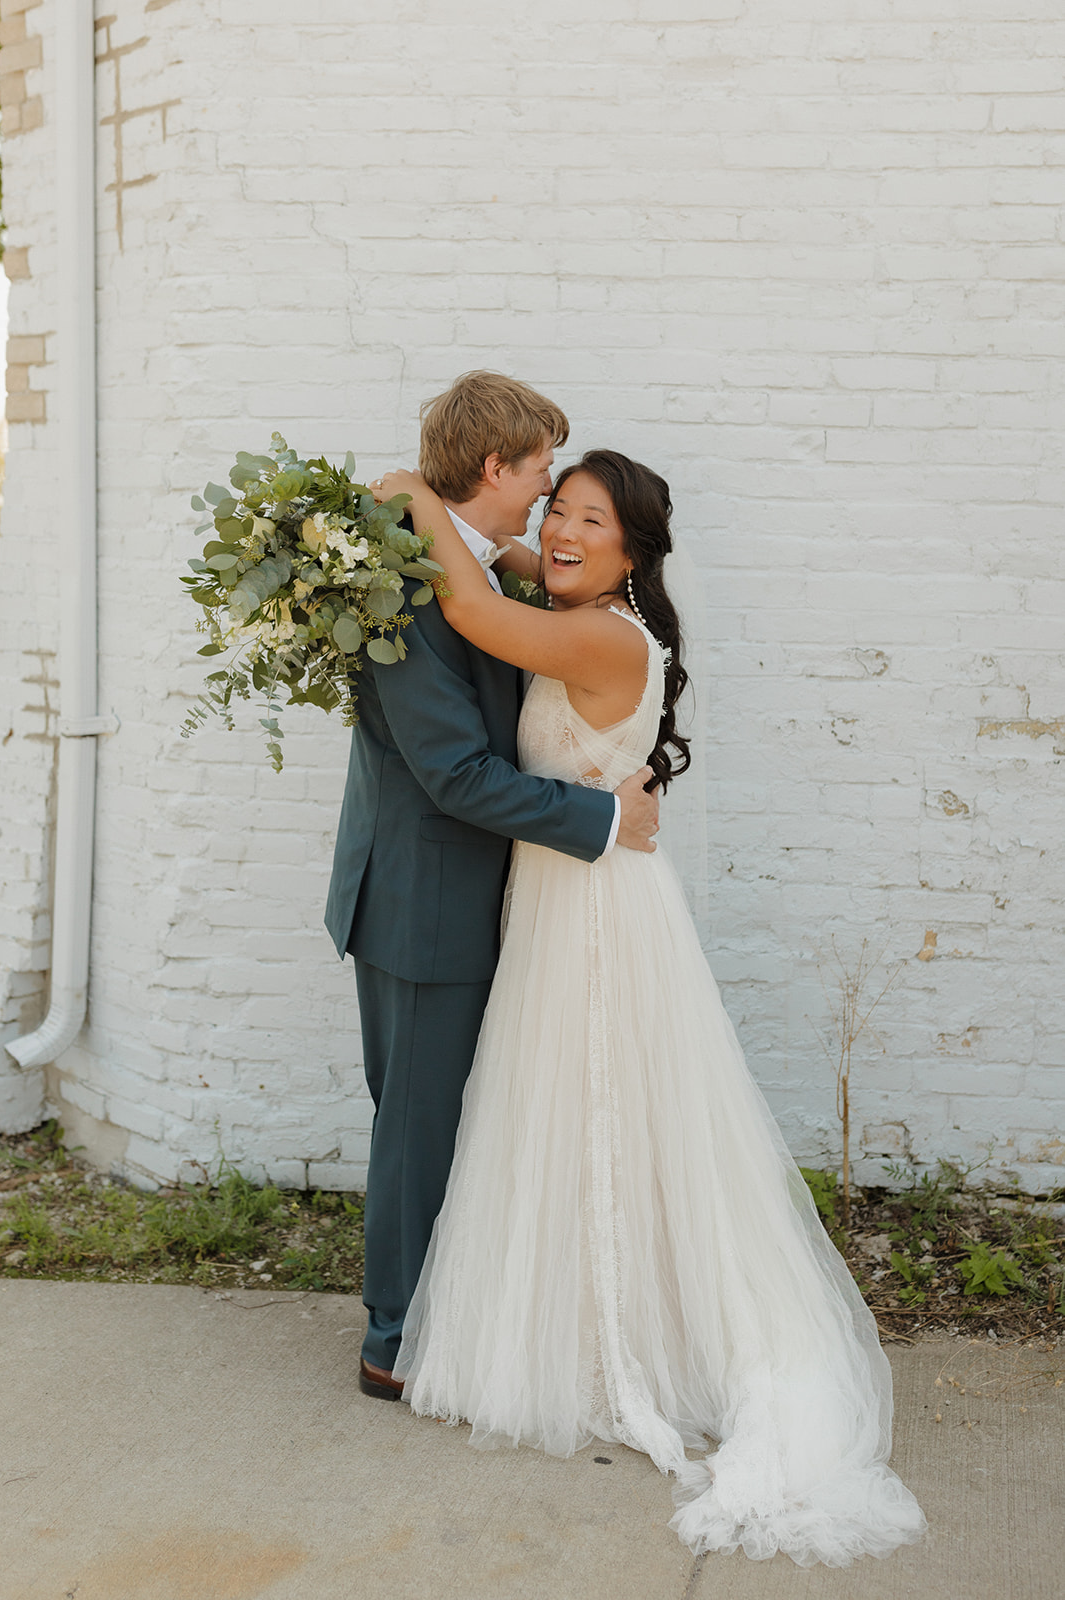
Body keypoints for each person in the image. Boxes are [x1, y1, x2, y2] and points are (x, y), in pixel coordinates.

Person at [369, 450, 927, 1568]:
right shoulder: (587, 600)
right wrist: (487, 526)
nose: (562, 533)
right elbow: (507, 559)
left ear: (633, 552)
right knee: (569, 1108)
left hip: (591, 910)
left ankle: (618, 1331)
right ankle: (583, 1303)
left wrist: (409, 495)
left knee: (595, 1101)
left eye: (590, 522)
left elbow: (473, 601)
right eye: (556, 509)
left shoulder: (600, 634)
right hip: (571, 890)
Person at [324, 375, 659, 1402]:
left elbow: (498, 583)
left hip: (484, 900)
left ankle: (459, 1308)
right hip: (422, 905)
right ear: (492, 469)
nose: (547, 502)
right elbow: (455, 775)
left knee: (460, 1119)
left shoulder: (475, 571)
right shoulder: (416, 586)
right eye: (542, 477)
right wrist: (606, 819)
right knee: (419, 1124)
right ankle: (393, 1339)